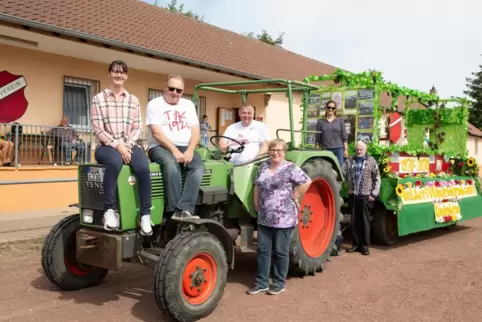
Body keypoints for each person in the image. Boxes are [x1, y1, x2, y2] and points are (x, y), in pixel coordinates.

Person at [91, 60, 153, 236]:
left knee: (142, 167)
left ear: (126, 76)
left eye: (122, 72)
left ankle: (145, 214)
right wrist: (118, 145)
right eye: (115, 71)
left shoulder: (133, 100)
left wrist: (127, 145)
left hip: (129, 144)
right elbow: (98, 128)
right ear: (109, 74)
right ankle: (109, 211)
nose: (118, 75)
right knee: (115, 162)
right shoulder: (98, 99)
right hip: (106, 146)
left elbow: (137, 126)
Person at [248, 138, 311, 296]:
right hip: (264, 216)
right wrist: (256, 202)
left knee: (280, 251)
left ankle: (279, 282)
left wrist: (295, 194)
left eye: (279, 151)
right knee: (263, 250)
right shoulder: (263, 166)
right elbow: (257, 184)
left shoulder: (290, 168)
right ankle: (262, 282)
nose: (275, 153)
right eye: (272, 150)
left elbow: (307, 181)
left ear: (284, 152)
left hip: (284, 218)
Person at [146, 75, 204, 221]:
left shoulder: (188, 105)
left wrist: (190, 151)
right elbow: (156, 132)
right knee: (171, 165)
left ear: (183, 92)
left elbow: (196, 131)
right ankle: (173, 211)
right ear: (165, 88)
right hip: (160, 146)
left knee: (198, 167)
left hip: (185, 147)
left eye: (179, 90)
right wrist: (175, 151)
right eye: (171, 89)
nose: (175, 93)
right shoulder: (154, 104)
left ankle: (184, 209)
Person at [341, 140, 381, 256]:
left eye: (361, 149)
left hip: (365, 196)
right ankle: (355, 244)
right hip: (353, 195)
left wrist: (373, 194)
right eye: (357, 149)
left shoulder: (371, 161)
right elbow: (342, 173)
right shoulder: (350, 161)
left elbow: (377, 178)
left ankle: (365, 246)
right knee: (354, 221)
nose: (359, 151)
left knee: (364, 222)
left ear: (365, 150)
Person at [315, 100, 348, 167]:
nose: (330, 109)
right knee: (326, 168)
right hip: (326, 149)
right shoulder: (320, 121)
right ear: (326, 108)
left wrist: (346, 150)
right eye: (329, 107)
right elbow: (317, 138)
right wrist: (317, 150)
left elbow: (344, 136)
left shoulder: (340, 120)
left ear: (335, 110)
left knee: (340, 167)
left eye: (333, 108)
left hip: (339, 149)